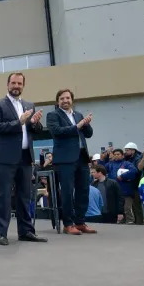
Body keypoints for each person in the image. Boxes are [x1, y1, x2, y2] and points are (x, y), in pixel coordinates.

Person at [0, 72, 48, 245]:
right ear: (8, 84)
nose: (16, 86)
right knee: (4, 196)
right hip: (5, 158)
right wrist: (19, 122)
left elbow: (35, 130)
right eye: (13, 83)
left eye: (19, 83)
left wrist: (35, 123)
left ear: (23, 86)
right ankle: (1, 234)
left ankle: (26, 231)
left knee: (25, 196)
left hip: (25, 156)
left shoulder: (29, 105)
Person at [45, 89, 95, 235]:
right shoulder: (53, 115)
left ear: (72, 100)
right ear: (57, 101)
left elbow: (89, 134)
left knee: (83, 190)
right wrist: (77, 126)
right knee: (67, 192)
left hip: (81, 157)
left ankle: (80, 222)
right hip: (65, 159)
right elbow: (57, 132)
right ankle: (68, 223)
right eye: (62, 98)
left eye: (67, 98)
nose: (65, 100)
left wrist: (86, 124)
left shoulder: (78, 115)